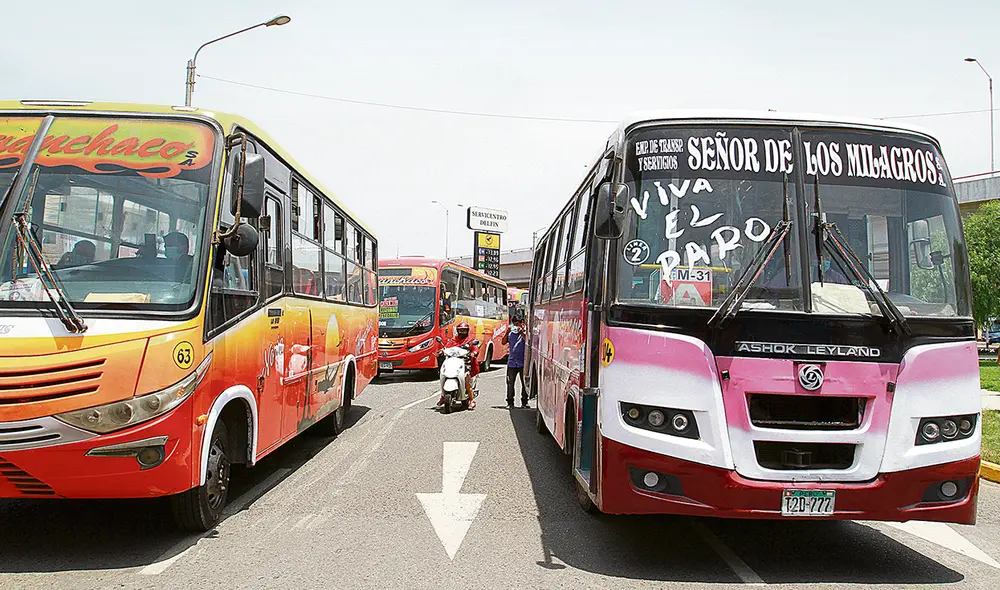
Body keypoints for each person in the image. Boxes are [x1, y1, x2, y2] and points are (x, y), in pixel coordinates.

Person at [438, 321, 479, 409]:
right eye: (460, 330)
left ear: (467, 331)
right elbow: (447, 347)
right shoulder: (453, 340)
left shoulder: (470, 340)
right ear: (457, 331)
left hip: (465, 363)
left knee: (466, 379)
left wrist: (474, 353)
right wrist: (442, 351)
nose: (462, 332)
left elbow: (475, 348)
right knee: (444, 374)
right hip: (453, 362)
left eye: (464, 330)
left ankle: (472, 400)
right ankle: (442, 395)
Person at [505, 319, 527, 408]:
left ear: (522, 323)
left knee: (524, 383)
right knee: (510, 383)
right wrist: (507, 333)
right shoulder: (511, 334)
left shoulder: (526, 332)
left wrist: (522, 333)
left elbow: (529, 342)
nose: (516, 326)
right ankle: (510, 402)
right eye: (514, 324)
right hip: (512, 363)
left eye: (517, 324)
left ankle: (524, 402)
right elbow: (503, 342)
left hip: (523, 363)